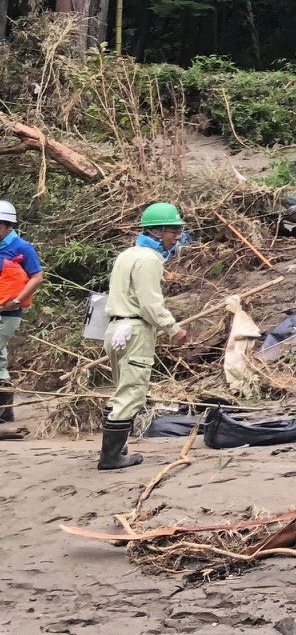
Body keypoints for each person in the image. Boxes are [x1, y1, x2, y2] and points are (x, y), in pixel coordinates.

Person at [99, 202, 188, 471]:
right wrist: (173, 327)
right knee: (132, 394)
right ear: (157, 231)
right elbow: (150, 304)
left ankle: (116, 448)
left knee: (120, 391)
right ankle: (111, 457)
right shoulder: (149, 260)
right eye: (172, 230)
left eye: (178, 230)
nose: (177, 236)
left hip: (115, 330)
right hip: (135, 330)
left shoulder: (127, 254)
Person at [0, 199, 44, 425]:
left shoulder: (21, 247)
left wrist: (17, 300)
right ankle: (5, 411)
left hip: (8, 312)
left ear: (8, 225)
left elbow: (37, 276)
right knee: (0, 357)